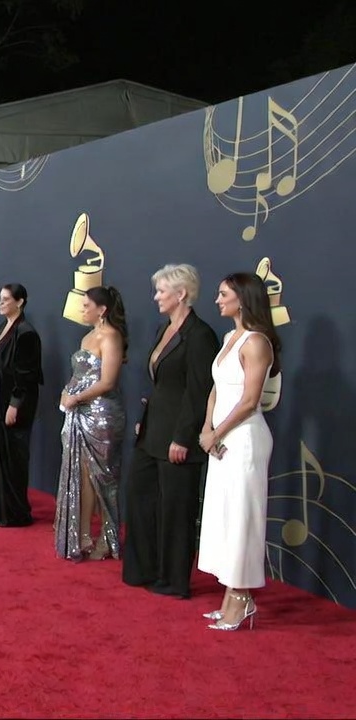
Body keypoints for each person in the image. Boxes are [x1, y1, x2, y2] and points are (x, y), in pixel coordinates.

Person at [123, 264, 218, 599]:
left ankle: (174, 580)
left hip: (178, 435)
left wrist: (183, 437)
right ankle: (144, 568)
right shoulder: (164, 328)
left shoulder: (200, 335)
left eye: (162, 291)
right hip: (153, 430)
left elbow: (199, 391)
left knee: (176, 510)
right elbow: (162, 383)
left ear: (181, 294)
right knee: (139, 497)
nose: (156, 297)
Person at [197, 272, 280, 631]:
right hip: (221, 438)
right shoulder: (229, 338)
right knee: (226, 517)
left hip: (244, 439)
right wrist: (207, 428)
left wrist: (217, 432)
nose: (217, 300)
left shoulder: (257, 342)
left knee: (243, 518)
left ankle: (242, 599)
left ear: (243, 299)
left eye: (223, 294)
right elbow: (216, 389)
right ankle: (230, 598)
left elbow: (249, 400)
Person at [54, 285, 127, 561]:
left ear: (102, 309)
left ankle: (108, 538)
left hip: (102, 416)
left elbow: (107, 382)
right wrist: (67, 392)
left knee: (103, 477)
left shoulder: (111, 337)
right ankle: (82, 534)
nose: (82, 309)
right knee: (82, 475)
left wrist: (76, 397)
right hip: (79, 413)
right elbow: (81, 375)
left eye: (86, 305)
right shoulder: (87, 337)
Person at [0, 284, 43, 527]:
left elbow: (27, 375)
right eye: (0, 298)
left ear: (20, 302)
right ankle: (0, 510)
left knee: (12, 458)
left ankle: (15, 512)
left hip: (12, 405)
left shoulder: (26, 333)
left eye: (6, 299)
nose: (0, 303)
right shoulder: (3, 327)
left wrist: (14, 404)